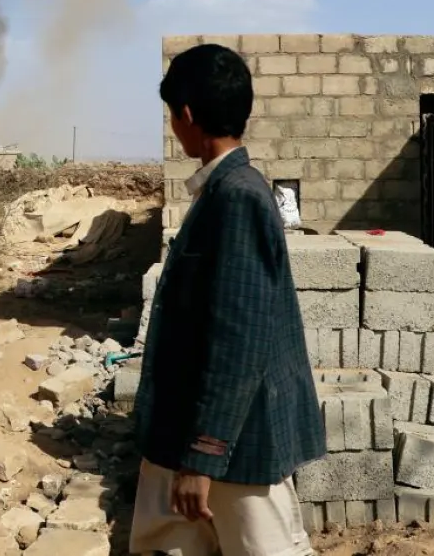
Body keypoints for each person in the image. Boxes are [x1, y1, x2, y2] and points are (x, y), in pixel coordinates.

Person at [131, 42, 326, 556]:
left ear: (188, 115)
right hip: (189, 438)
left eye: (173, 115)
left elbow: (239, 338)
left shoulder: (237, 197)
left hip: (234, 451)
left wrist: (203, 457)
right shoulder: (222, 191)